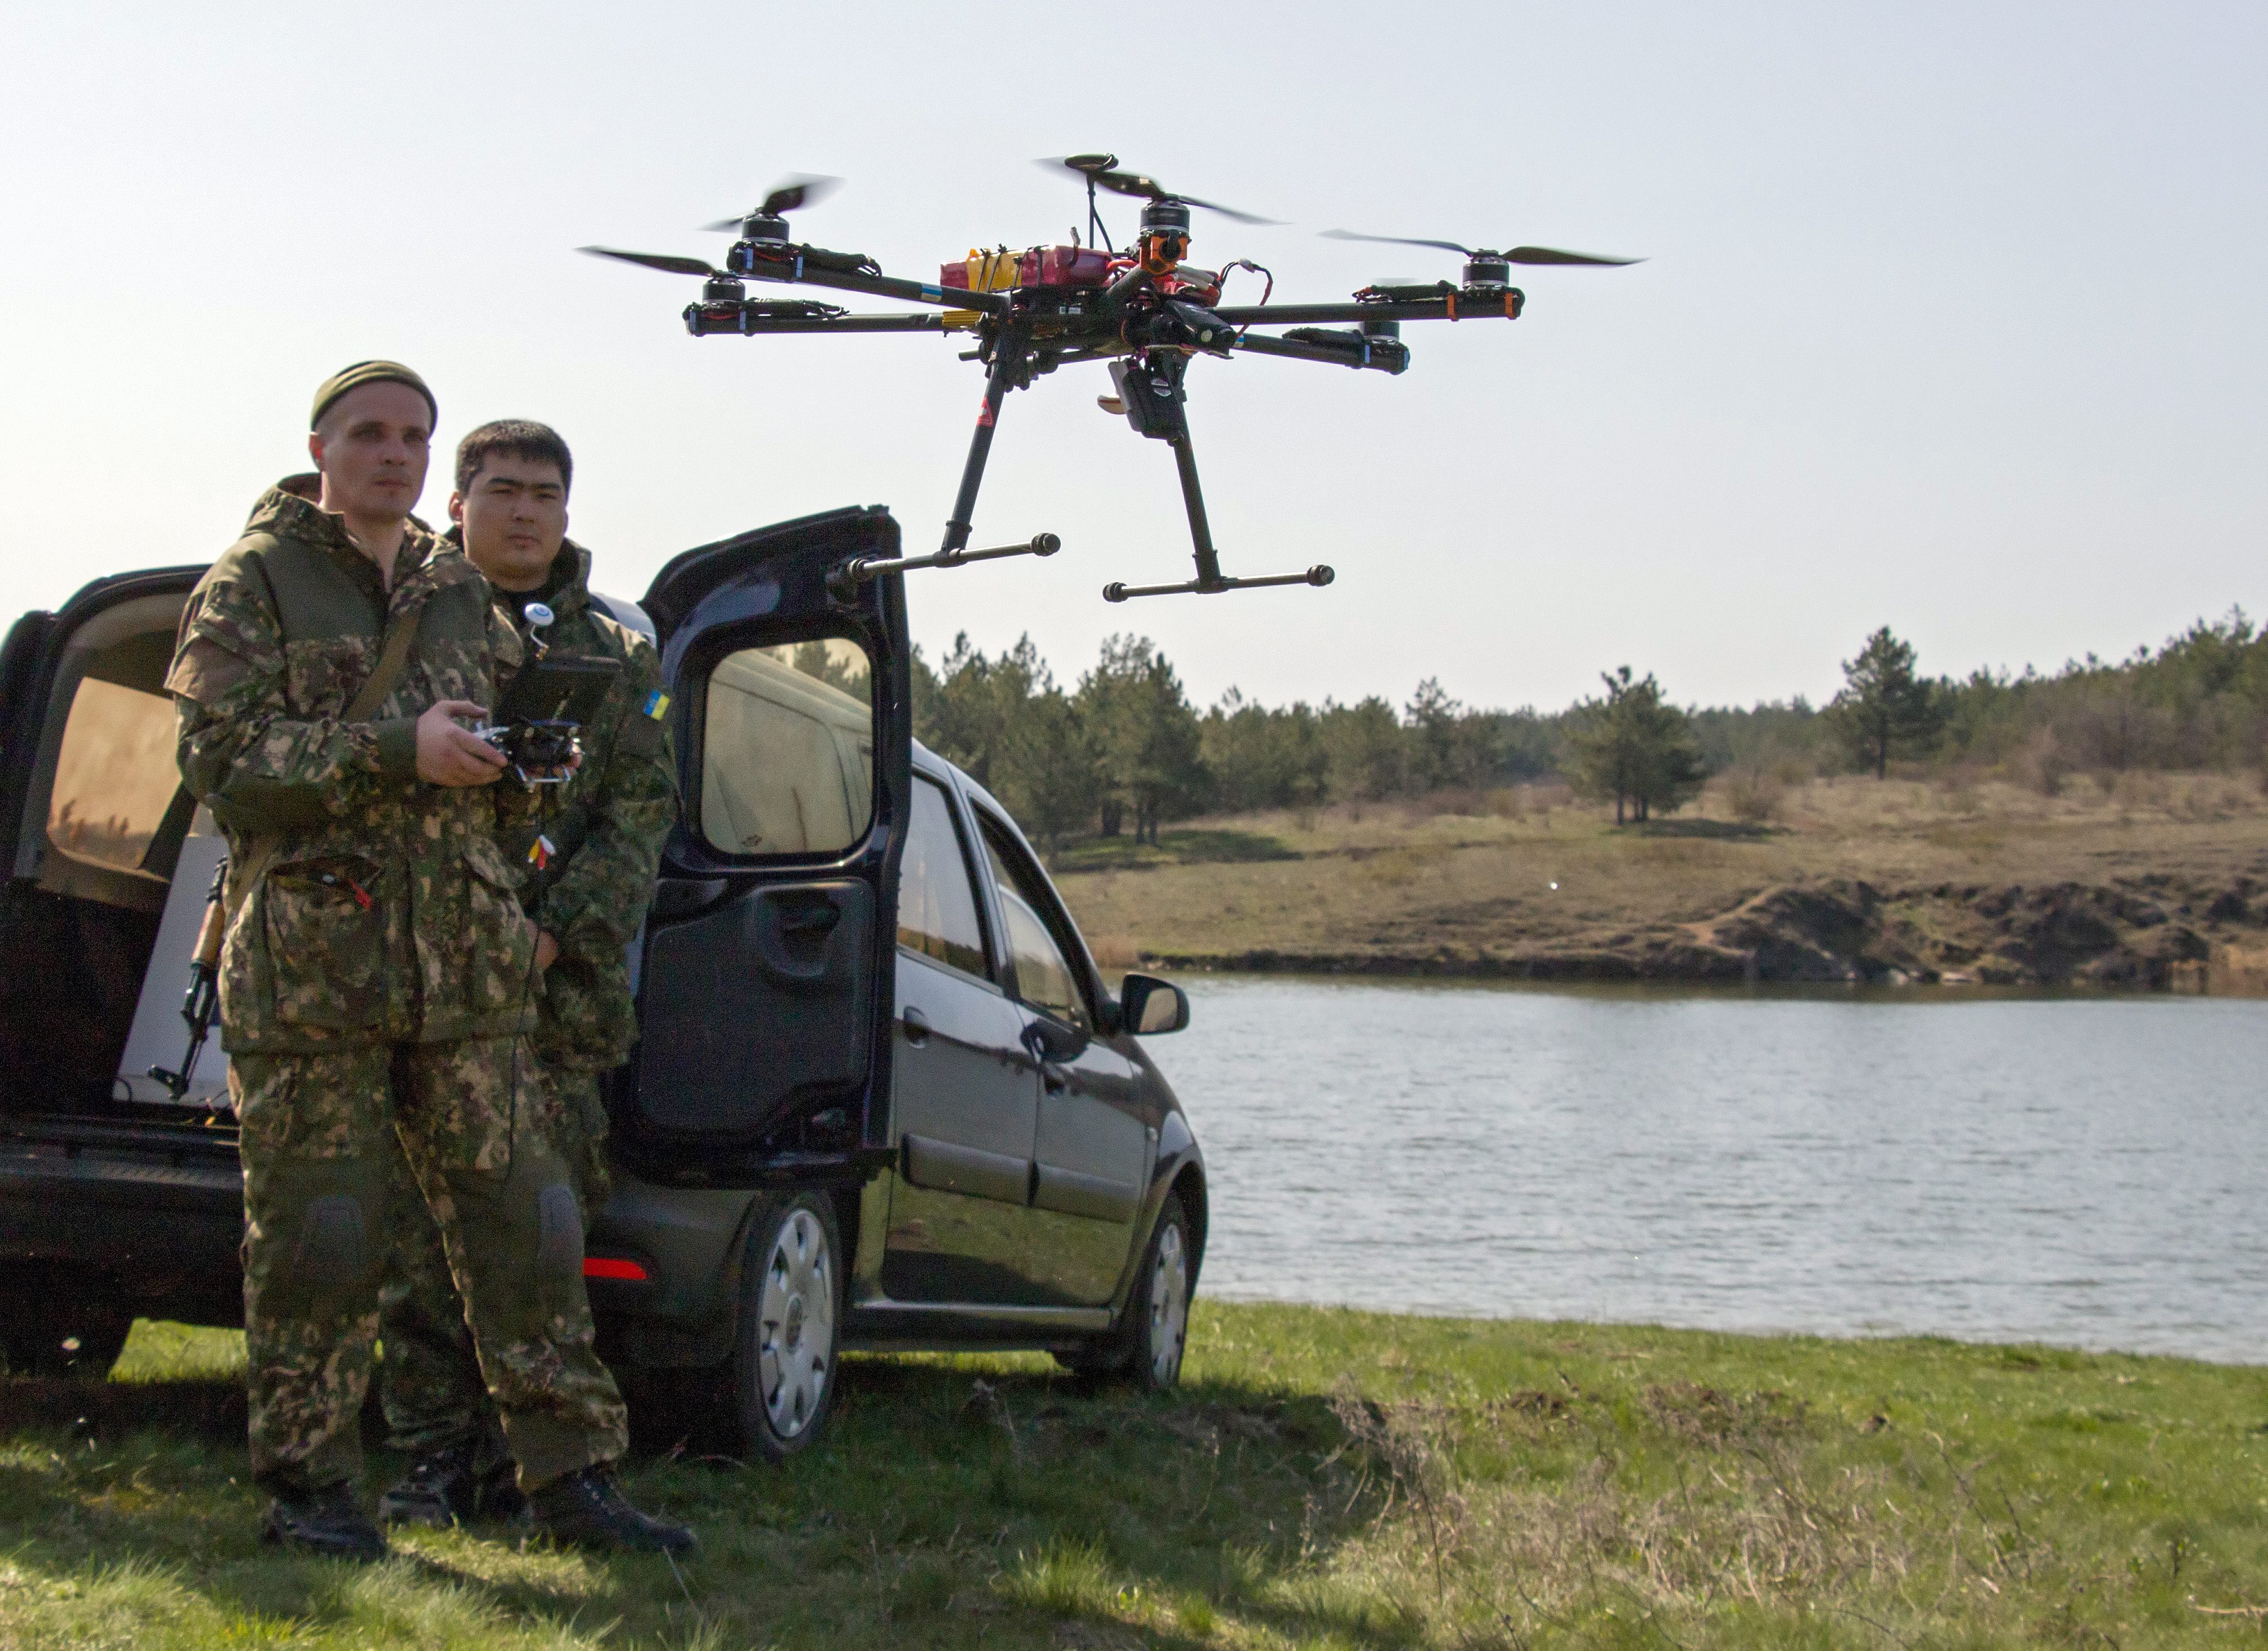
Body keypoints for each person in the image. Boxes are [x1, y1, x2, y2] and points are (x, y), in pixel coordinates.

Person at [166, 363, 693, 1559]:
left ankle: (569, 1482)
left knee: (534, 1232)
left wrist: (521, 849)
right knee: (325, 1244)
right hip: (314, 974)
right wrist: (395, 748)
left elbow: (538, 770)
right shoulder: (252, 583)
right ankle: (316, 1492)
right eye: (370, 435)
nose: (394, 455)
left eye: (413, 436)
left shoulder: (463, 596)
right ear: (321, 447)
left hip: (465, 975)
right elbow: (220, 763)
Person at [375, 420, 674, 1529]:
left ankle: (543, 1473)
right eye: (501, 490)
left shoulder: (617, 648)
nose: (524, 512)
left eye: (544, 494)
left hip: (552, 1003)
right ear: (458, 503)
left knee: (545, 1236)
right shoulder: (403, 617)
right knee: (419, 1244)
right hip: (417, 985)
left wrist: (556, 933)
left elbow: (640, 811)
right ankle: (427, 1470)